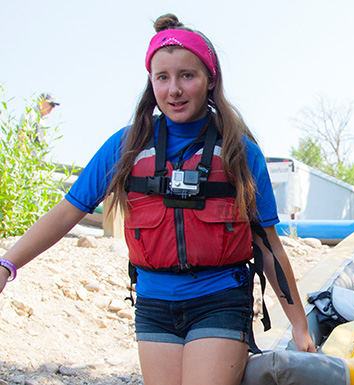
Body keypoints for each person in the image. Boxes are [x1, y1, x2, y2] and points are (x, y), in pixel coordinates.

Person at [0, 14, 315, 385]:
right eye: (162, 78)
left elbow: (268, 248)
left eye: (187, 76)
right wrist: (8, 265)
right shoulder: (127, 145)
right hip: (153, 306)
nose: (174, 90)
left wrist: (300, 327)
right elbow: (68, 211)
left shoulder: (239, 152)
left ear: (210, 80)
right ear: (151, 84)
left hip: (220, 300)